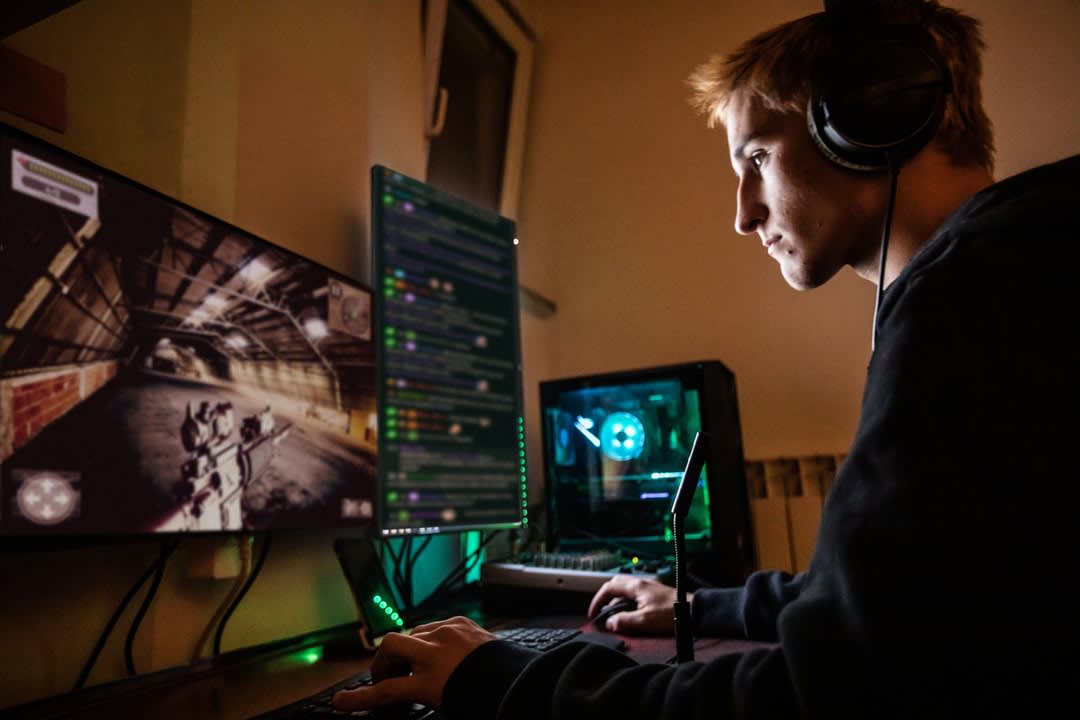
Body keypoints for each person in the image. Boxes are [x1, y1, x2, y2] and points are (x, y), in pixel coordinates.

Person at [334, 1, 1080, 717]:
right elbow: (908, 598)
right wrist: (698, 604)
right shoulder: (1015, 274)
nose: (743, 212)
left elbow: (833, 695)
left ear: (868, 117)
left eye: (756, 157)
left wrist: (504, 681)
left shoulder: (979, 299)